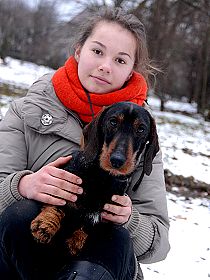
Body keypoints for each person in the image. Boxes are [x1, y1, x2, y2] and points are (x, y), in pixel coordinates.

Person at [0, 7, 170, 280]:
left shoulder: (143, 134)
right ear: (78, 51)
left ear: (130, 72)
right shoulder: (24, 111)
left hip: (101, 263)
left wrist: (130, 220)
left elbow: (159, 243)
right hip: (24, 259)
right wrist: (22, 185)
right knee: (20, 215)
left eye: (121, 60)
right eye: (98, 51)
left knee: (116, 238)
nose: (105, 66)